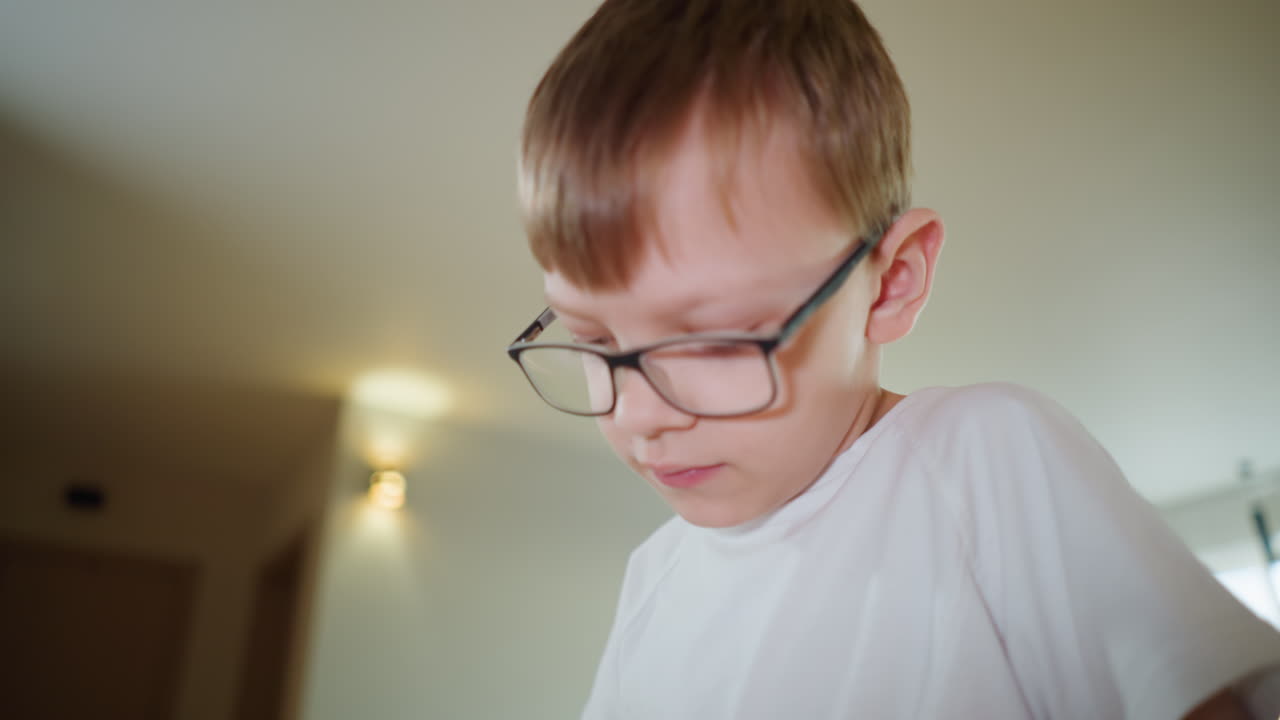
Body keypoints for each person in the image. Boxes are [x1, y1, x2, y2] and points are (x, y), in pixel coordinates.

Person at [504, 1, 1280, 717]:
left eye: (715, 339)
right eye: (596, 340)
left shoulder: (984, 459)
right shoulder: (652, 581)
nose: (639, 415)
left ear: (892, 283)